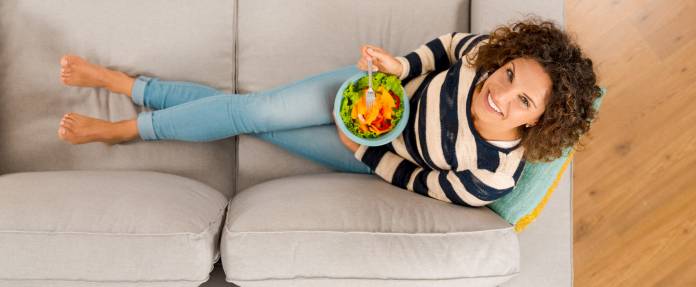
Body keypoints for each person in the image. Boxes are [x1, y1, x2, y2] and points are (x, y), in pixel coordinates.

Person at [57, 19, 600, 207]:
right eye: (509, 76)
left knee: (253, 118)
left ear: (536, 121)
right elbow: (452, 45)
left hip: (370, 150)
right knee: (251, 109)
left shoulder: (492, 175)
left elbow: (419, 181)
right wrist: (400, 63)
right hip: (369, 92)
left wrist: (364, 151)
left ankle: (130, 98)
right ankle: (124, 103)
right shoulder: (488, 59)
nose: (500, 94)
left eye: (522, 100)